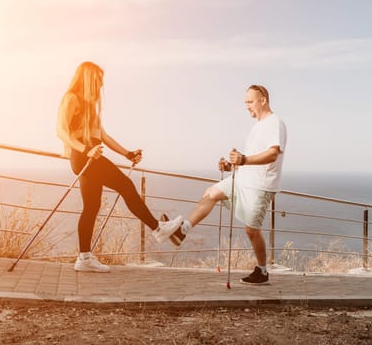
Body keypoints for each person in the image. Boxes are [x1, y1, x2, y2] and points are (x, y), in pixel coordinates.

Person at [57, 61, 182, 273]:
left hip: (91, 156)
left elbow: (104, 137)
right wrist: (85, 149)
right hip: (84, 156)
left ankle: (84, 258)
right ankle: (158, 228)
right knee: (125, 185)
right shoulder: (72, 99)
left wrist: (127, 154)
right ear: (88, 79)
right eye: (98, 80)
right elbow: (61, 132)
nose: (100, 85)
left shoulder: (89, 106)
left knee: (91, 208)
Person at [169, 85, 287, 284]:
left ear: (263, 100)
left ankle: (263, 271)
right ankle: (182, 230)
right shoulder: (257, 126)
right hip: (241, 179)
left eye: (250, 102)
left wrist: (243, 160)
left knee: (251, 230)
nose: (247, 107)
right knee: (211, 193)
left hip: (260, 186)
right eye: (245, 103)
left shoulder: (275, 123)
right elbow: (248, 160)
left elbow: (273, 153)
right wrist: (231, 165)